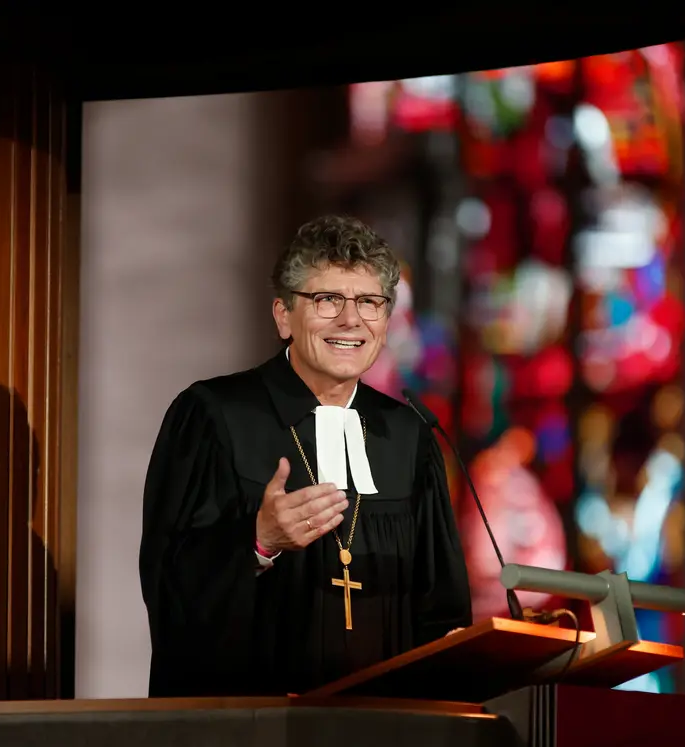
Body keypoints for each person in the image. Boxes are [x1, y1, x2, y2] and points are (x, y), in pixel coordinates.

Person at [139, 215, 472, 698]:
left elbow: (443, 611)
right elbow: (168, 586)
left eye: (369, 302)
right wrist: (258, 541)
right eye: (327, 300)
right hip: (253, 738)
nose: (351, 320)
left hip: (386, 740)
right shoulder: (215, 416)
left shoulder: (408, 435)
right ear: (282, 316)